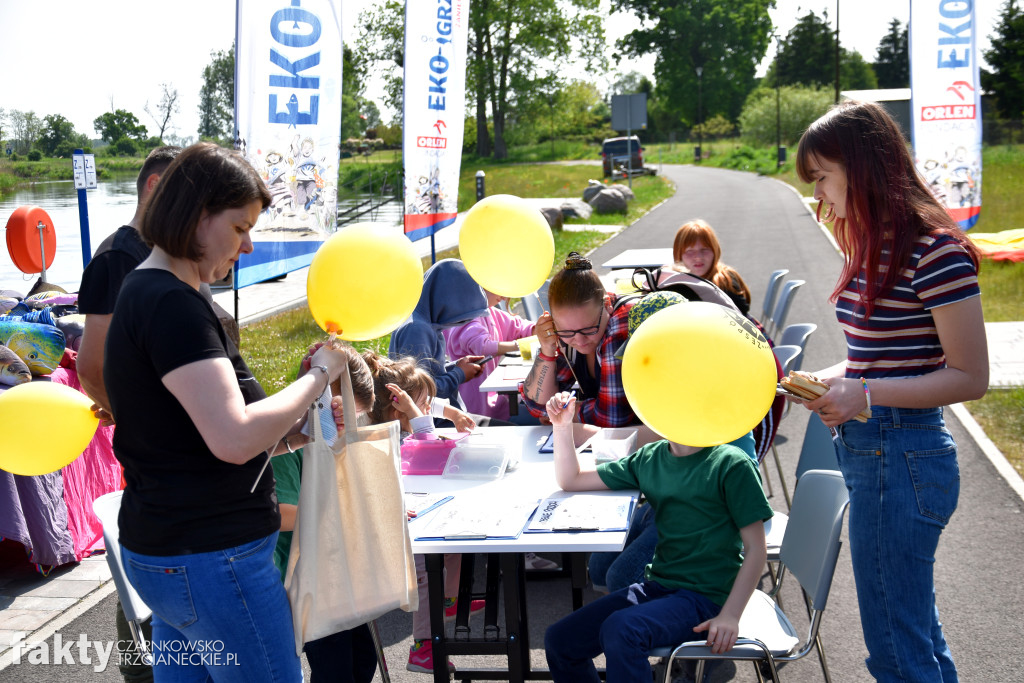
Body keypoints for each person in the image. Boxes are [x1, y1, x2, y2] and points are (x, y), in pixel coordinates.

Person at [104, 142, 353, 682]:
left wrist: (297, 434)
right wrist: (318, 377)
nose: (248, 245)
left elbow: (197, 437)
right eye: (240, 228)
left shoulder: (145, 290)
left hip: (172, 552)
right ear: (197, 215)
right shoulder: (173, 304)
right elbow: (233, 439)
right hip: (214, 558)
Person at [795, 101, 988, 682]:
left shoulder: (935, 252)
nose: (820, 195)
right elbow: (872, 359)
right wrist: (827, 381)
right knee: (915, 635)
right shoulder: (871, 247)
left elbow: (970, 378)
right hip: (875, 455)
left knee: (897, 653)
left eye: (824, 177)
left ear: (864, 167)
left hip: (902, 458)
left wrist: (866, 394)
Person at [542, 375, 773, 681]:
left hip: (708, 597)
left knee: (622, 630)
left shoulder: (731, 464)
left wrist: (730, 614)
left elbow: (757, 550)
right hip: (660, 586)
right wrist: (561, 426)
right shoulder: (651, 458)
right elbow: (571, 479)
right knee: (561, 640)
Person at [76, 145, 181, 683]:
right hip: (154, 454)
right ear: (155, 185)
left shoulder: (162, 250)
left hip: (176, 450)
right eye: (184, 191)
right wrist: (138, 418)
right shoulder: (120, 256)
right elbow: (91, 365)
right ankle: (143, 673)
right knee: (146, 570)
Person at [585, 292, 758, 594]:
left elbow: (652, 439)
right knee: (598, 567)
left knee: (621, 578)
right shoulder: (669, 379)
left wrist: (587, 433)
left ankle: (659, 624)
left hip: (714, 507)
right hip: (676, 492)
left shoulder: (704, 383)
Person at [353, 350, 485, 674]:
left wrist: (449, 412)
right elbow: (429, 449)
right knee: (426, 570)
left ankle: (449, 603)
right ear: (397, 406)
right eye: (419, 406)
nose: (427, 410)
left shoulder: (392, 418)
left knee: (452, 545)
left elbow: (427, 401)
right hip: (384, 535)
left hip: (403, 514)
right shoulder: (387, 437)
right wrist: (418, 414)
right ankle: (423, 647)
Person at [272, 345, 379, 683]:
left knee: (363, 657)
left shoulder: (327, 431)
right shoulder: (287, 432)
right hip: (303, 575)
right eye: (340, 411)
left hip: (335, 568)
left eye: (354, 417)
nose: (345, 422)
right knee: (336, 667)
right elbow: (281, 514)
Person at [520, 252, 636, 427]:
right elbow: (538, 405)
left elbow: (612, 417)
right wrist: (547, 350)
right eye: (567, 332)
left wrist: (567, 412)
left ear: (607, 305)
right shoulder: (568, 332)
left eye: (589, 329)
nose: (580, 340)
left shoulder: (622, 322)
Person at [389, 258, 491, 427]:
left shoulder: (426, 323)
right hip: (433, 422)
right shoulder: (418, 330)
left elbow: (430, 374)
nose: (463, 322)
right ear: (448, 300)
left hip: (443, 416)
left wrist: (456, 366)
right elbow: (420, 392)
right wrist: (459, 374)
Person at [443, 288, 536, 422]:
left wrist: (536, 328)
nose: (504, 297)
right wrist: (521, 345)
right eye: (498, 287)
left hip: (497, 404)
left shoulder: (489, 312)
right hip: (477, 411)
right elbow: (482, 346)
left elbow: (518, 327)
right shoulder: (466, 317)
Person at [667, 218, 752, 316]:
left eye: (704, 249)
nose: (698, 257)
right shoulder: (671, 283)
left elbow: (741, 316)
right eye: (690, 251)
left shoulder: (725, 281)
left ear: (715, 251)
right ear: (678, 255)